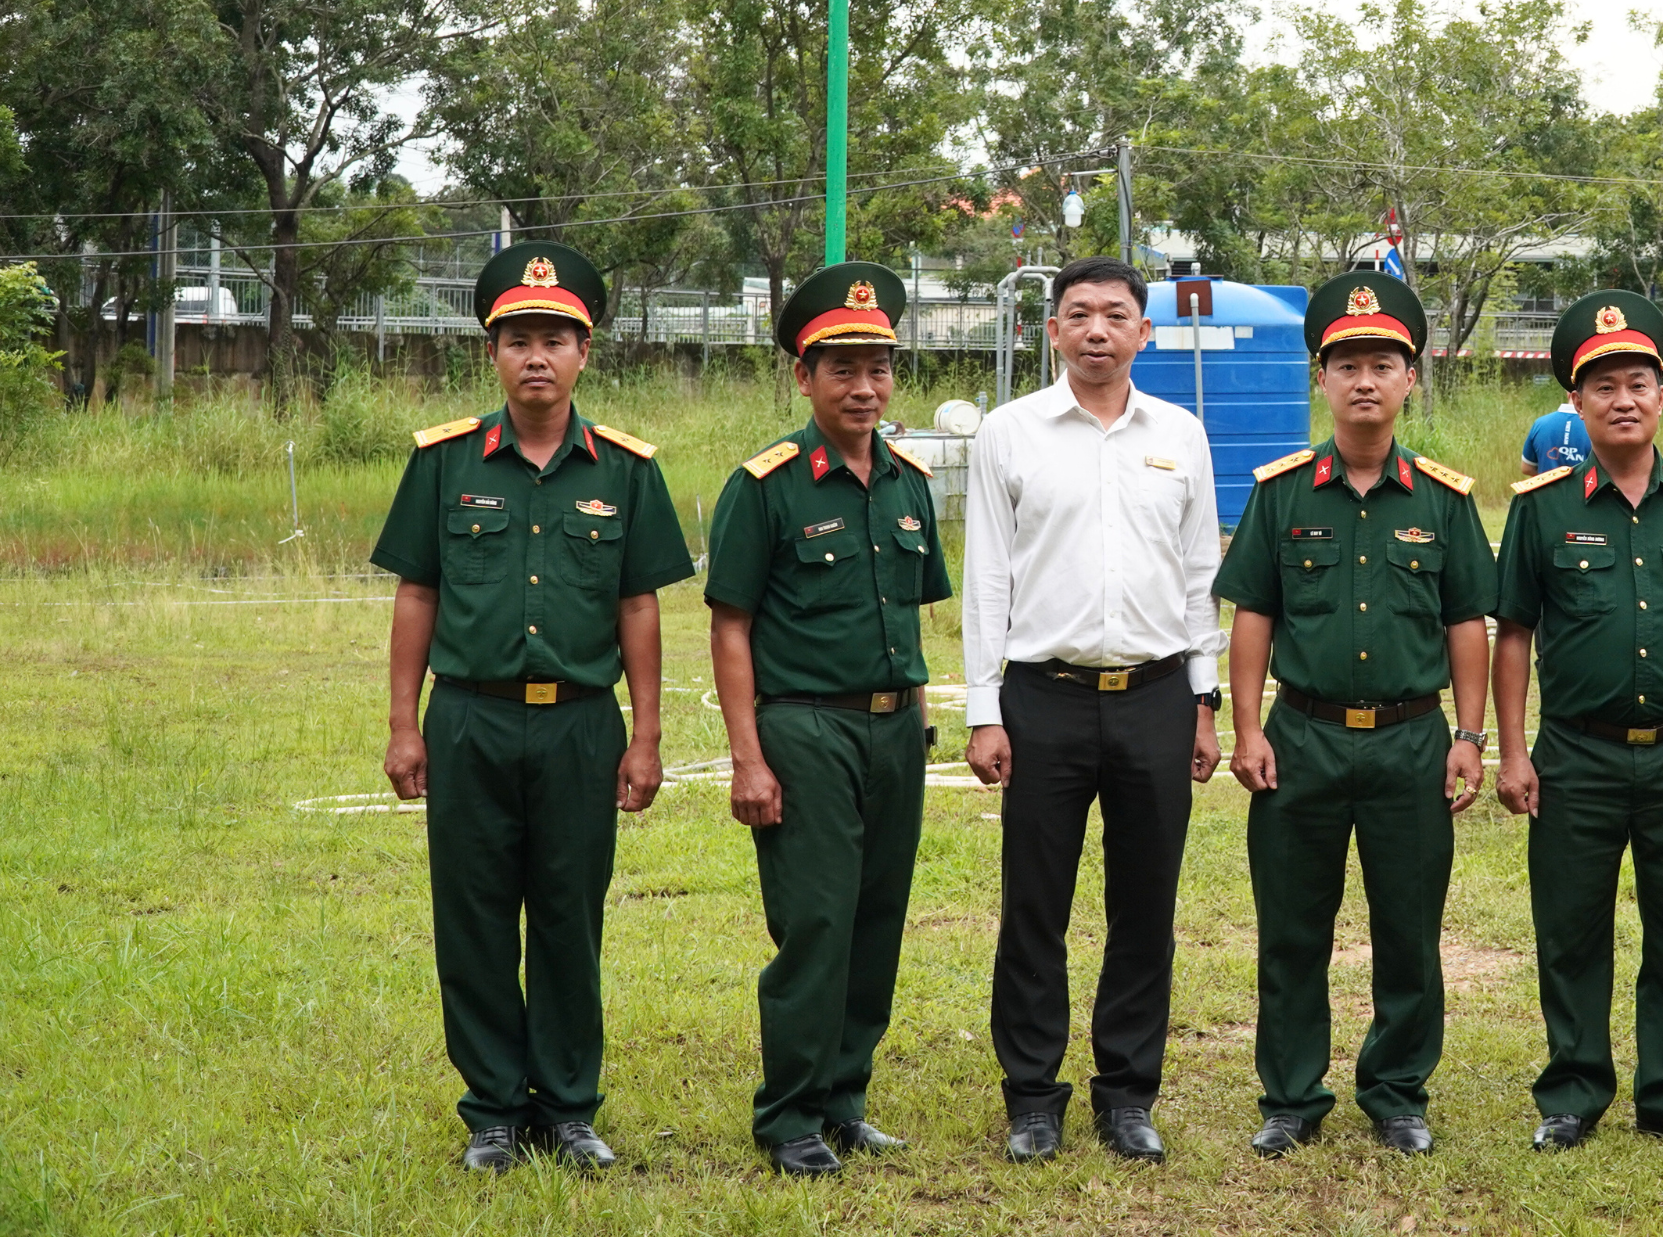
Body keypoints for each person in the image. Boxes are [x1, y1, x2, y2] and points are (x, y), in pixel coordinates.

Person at [371, 242, 690, 1174]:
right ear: (493, 353)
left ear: (585, 353)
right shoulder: (444, 462)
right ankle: (494, 1111)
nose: (537, 356)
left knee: (567, 915)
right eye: (519, 340)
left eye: (556, 338)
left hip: (581, 724)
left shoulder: (626, 471)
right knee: (470, 915)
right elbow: (417, 595)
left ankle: (569, 1104)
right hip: (468, 717)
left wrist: (649, 737)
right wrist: (402, 723)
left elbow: (639, 605)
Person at [1214, 272, 1495, 1157]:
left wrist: (1469, 735)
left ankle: (1398, 1090)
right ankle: (1292, 1095)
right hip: (1301, 739)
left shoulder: (1445, 501)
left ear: (1411, 376)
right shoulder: (1283, 492)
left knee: (1408, 928)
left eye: (1383, 362)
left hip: (1414, 739)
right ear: (1321, 380)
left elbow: (1466, 624)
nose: (1365, 379)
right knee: (1292, 926)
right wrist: (1249, 728)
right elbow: (1253, 613)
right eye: (1347, 364)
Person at [962, 256, 1224, 1165]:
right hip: (1045, 698)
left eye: (1117, 314)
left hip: (1156, 697)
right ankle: (1033, 1097)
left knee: (1145, 903)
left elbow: (1200, 575)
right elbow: (987, 576)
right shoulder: (1010, 431)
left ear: (1144, 332)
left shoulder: (1182, 433)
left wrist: (1204, 698)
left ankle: (1126, 1094)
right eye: (1080, 315)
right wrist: (983, 709)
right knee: (1035, 903)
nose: (1099, 330)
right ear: (1054, 332)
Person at [1493, 289, 1663, 1151]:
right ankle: (1573, 1093)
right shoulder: (1542, 508)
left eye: (1638, 381)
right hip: (1576, 752)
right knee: (1572, 929)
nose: (1622, 397)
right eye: (1602, 383)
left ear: (1662, 396)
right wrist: (1511, 749)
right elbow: (1514, 635)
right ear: (1575, 402)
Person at [704, 262, 950, 1176]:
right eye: (840, 368)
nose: (864, 386)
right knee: (815, 922)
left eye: (879, 367)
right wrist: (748, 758)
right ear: (803, 377)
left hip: (896, 729)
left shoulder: (909, 482)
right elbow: (731, 624)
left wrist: (918, 719)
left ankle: (846, 1096)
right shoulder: (766, 484)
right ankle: (791, 1113)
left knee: (878, 915)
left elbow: (915, 612)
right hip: (805, 728)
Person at [1519, 400, 1591, 477]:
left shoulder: (1540, 423)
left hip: (1548, 488)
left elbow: (1526, 468)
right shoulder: (1595, 427)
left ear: (1568, 393)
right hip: (1585, 488)